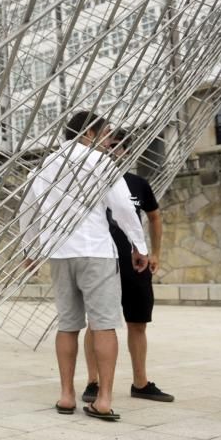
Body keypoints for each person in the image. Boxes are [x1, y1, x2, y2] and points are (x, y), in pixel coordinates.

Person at [19, 111, 149, 421]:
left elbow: (28, 209)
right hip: (95, 251)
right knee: (104, 324)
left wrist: (30, 248)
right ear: (89, 133)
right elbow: (122, 207)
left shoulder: (45, 165)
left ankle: (66, 395)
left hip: (60, 253)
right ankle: (103, 398)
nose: (108, 142)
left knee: (67, 325)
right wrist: (139, 245)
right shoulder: (101, 163)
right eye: (105, 135)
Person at [82, 129, 173, 404]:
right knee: (96, 323)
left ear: (127, 151)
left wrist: (155, 252)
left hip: (135, 264)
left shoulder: (137, 184)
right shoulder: (89, 184)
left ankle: (141, 383)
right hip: (102, 261)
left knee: (138, 322)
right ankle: (93, 382)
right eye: (109, 145)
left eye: (119, 147)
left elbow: (154, 217)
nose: (113, 151)